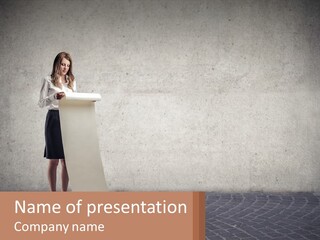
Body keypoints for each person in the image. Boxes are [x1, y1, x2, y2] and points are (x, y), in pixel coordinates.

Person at [38, 52, 76, 191]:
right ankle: (53, 195)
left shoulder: (71, 80)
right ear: (57, 64)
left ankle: (64, 194)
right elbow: (41, 103)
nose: (65, 67)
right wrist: (54, 96)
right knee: (54, 160)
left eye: (68, 65)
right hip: (53, 119)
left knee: (66, 161)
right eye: (63, 64)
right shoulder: (48, 80)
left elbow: (74, 101)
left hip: (68, 119)